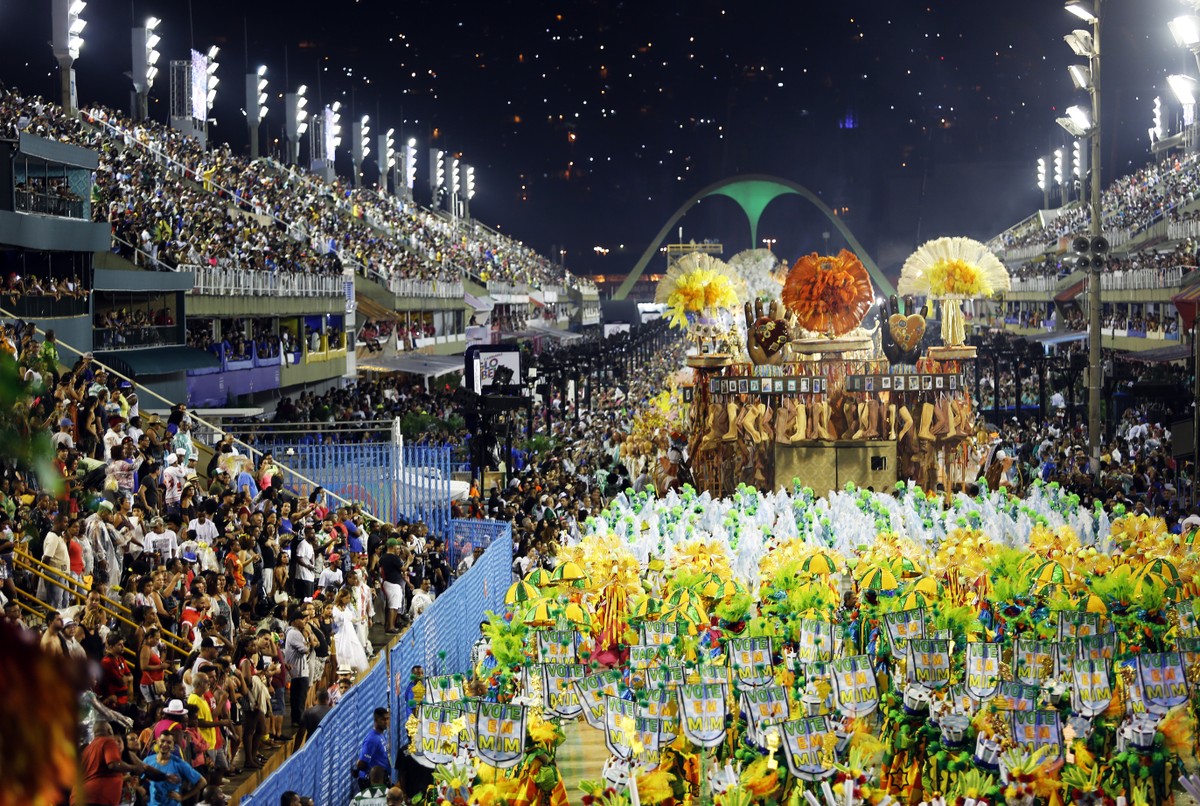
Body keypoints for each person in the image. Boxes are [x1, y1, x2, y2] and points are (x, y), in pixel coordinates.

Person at [72, 721, 159, 806]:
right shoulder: (105, 747)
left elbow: (144, 768)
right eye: (114, 741)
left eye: (119, 741)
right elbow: (112, 767)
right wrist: (129, 773)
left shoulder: (128, 756)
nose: (115, 743)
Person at [141, 733, 206, 806]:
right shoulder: (148, 761)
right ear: (157, 741)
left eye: (169, 742)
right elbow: (138, 780)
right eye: (162, 741)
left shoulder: (179, 763)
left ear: (173, 745)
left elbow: (202, 782)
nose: (165, 744)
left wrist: (182, 797)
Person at [283, 606, 315, 734]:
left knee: (297, 698)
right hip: (298, 671)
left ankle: (297, 721)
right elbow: (304, 649)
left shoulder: (294, 632)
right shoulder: (294, 633)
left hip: (299, 670)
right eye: (302, 619)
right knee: (299, 698)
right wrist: (309, 641)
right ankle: (298, 722)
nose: (304, 621)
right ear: (295, 621)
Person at [333, 587, 370, 672]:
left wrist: (361, 618)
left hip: (350, 631)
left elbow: (352, 619)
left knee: (353, 649)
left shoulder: (346, 608)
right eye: (346, 598)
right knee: (343, 651)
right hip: (341, 632)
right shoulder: (335, 609)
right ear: (341, 598)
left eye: (349, 598)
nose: (348, 600)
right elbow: (336, 621)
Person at [355, 707, 391, 791]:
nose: (386, 722)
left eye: (387, 719)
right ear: (375, 720)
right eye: (383, 719)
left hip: (381, 779)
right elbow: (362, 764)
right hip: (371, 782)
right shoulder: (372, 739)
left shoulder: (380, 735)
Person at [380, 539, 406, 634]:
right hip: (393, 584)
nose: (397, 548)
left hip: (388, 582)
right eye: (396, 546)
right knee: (393, 606)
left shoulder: (383, 557)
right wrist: (409, 561)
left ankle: (389, 626)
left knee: (393, 606)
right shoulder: (392, 557)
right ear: (392, 547)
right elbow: (404, 568)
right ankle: (391, 626)